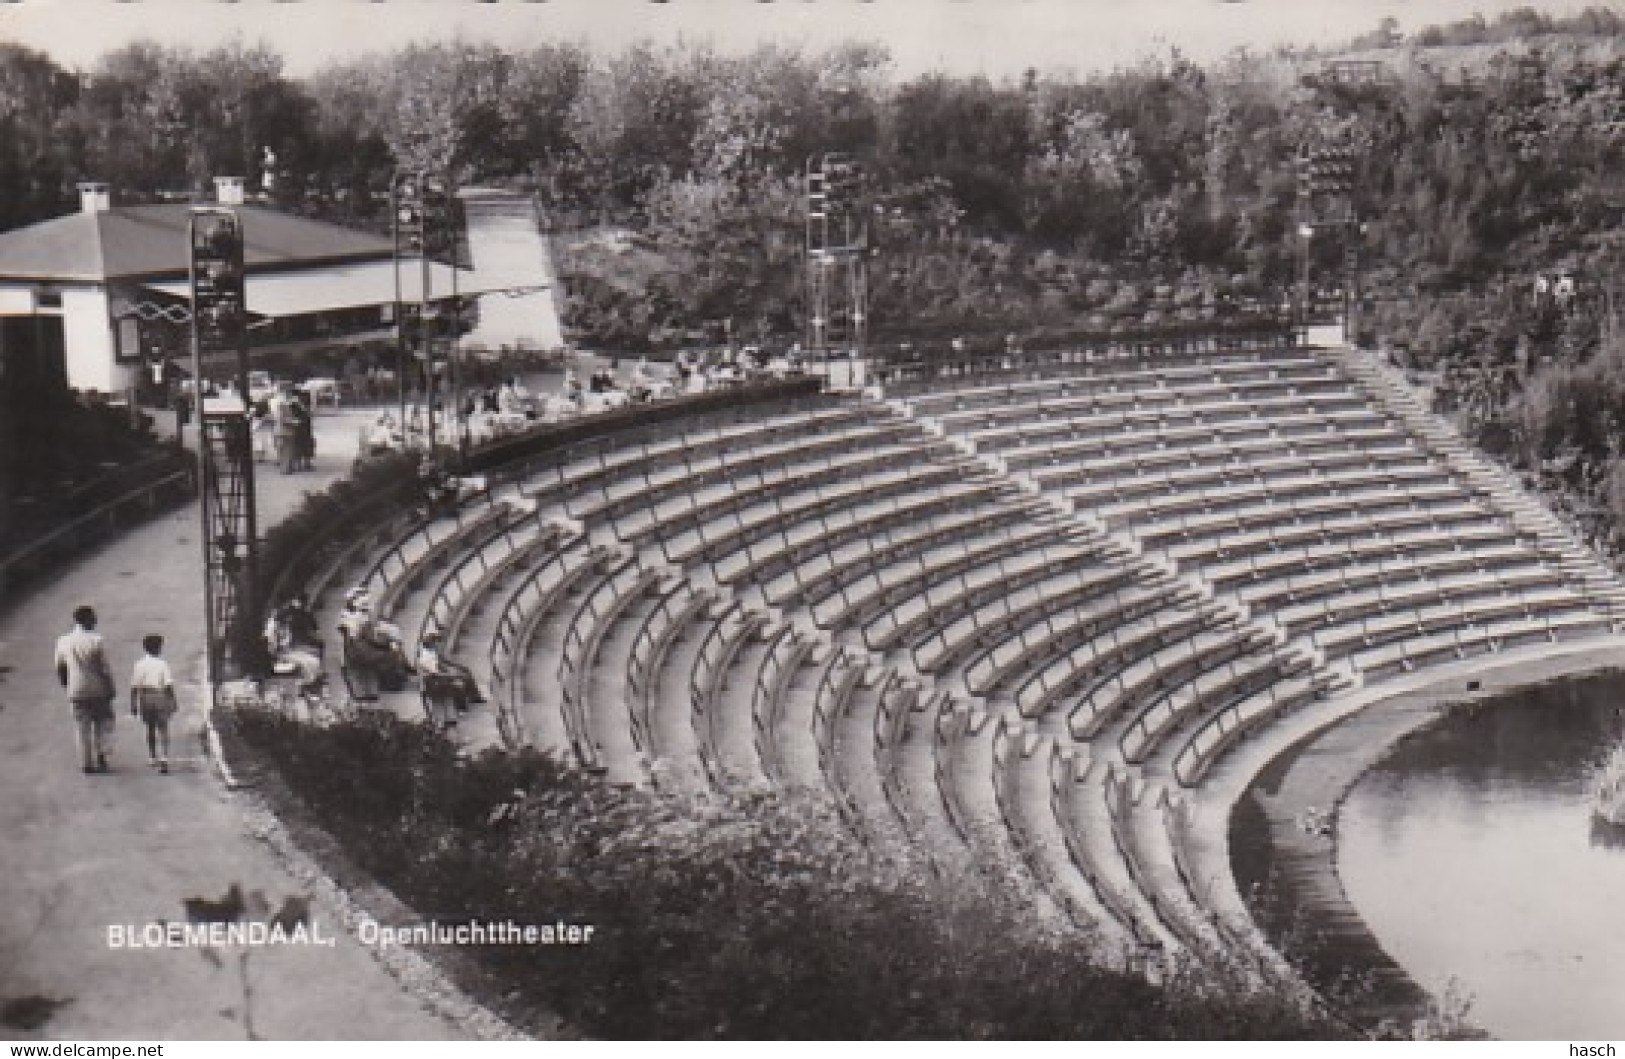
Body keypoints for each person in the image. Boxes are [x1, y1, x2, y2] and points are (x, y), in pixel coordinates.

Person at [54, 605, 117, 774]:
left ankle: (86, 763)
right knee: (103, 721)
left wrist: (67, 686)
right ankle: (102, 754)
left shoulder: (63, 640)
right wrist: (111, 688)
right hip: (98, 689)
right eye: (93, 618)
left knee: (81, 727)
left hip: (76, 689)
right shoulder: (96, 640)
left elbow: (60, 667)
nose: (96, 620)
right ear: (87, 620)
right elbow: (105, 669)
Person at [129, 634, 178, 774]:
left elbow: (134, 686)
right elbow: (168, 685)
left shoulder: (139, 664)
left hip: (145, 697)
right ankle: (164, 757)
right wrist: (173, 700)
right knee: (163, 727)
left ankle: (152, 756)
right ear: (158, 648)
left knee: (149, 727)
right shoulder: (162, 664)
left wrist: (133, 703)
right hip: (159, 695)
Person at [416, 632, 485, 728]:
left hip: (440, 677)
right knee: (458, 683)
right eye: (436, 642)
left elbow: (443, 660)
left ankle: (474, 697)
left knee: (465, 673)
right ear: (431, 643)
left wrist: (458, 667)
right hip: (433, 682)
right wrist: (452, 675)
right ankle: (460, 708)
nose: (438, 644)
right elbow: (435, 674)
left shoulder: (433, 652)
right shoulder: (426, 658)